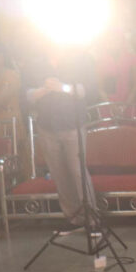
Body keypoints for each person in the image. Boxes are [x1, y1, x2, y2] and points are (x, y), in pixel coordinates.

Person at [21, 43, 96, 233]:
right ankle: (73, 218)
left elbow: (85, 90)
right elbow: (27, 95)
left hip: (72, 124)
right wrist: (45, 89)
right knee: (59, 174)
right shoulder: (35, 63)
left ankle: (92, 219)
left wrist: (62, 87)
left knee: (77, 171)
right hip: (47, 126)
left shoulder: (78, 59)